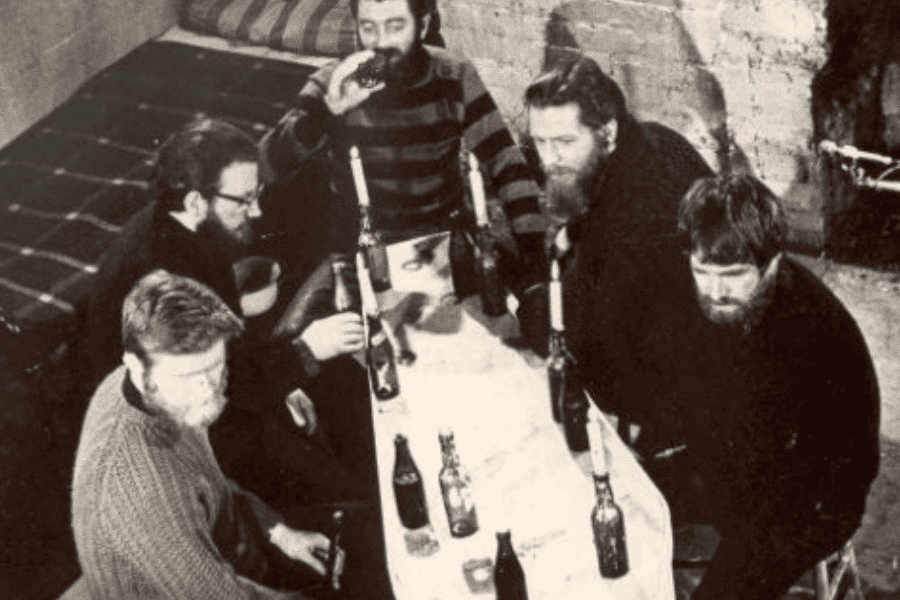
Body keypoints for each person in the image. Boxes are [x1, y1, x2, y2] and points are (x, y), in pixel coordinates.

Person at [83, 117, 376, 510]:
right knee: (350, 497)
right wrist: (304, 352)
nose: (256, 212)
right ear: (195, 201)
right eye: (244, 199)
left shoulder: (194, 230)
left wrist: (285, 382)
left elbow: (232, 343)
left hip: (219, 388)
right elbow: (218, 389)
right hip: (181, 434)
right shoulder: (161, 277)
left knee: (341, 400)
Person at [621, 172, 880, 600]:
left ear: (772, 261)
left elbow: (837, 475)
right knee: (613, 497)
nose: (715, 291)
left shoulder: (817, 336)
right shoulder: (704, 294)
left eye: (735, 275)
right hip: (730, 461)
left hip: (805, 502)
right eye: (702, 271)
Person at [72, 270, 333, 599]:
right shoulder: (140, 491)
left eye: (216, 367)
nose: (207, 390)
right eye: (190, 375)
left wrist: (279, 533)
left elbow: (208, 485)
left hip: (229, 557)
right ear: (136, 367)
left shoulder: (155, 391)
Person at [260, 0, 549, 295]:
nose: (380, 43)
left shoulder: (454, 74)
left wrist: (534, 249)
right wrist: (327, 112)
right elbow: (268, 166)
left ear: (422, 26)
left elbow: (506, 162)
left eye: (395, 26)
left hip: (444, 239)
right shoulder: (332, 82)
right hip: (358, 250)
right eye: (368, 28)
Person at [517, 55, 714, 413]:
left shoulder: (631, 219)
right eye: (540, 142)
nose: (549, 159)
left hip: (681, 382)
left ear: (607, 132)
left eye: (563, 141)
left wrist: (530, 292)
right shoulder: (654, 138)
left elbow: (561, 331)